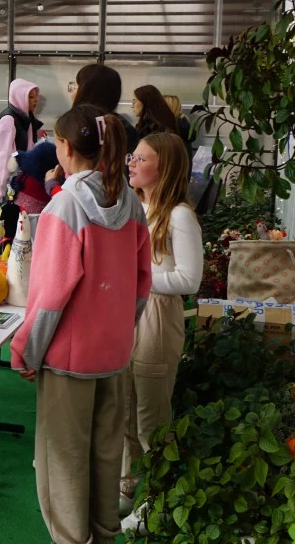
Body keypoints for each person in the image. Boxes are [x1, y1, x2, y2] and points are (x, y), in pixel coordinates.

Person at [9, 105, 151, 544]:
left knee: (64, 463)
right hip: (114, 355)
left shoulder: (64, 208)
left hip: (69, 361)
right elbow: (142, 286)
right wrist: (118, 333)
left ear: (65, 148)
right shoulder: (132, 205)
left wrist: (25, 351)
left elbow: (51, 295)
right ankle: (105, 536)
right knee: (107, 457)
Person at [120, 132, 202, 514]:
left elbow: (189, 280)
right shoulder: (136, 207)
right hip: (128, 315)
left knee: (151, 417)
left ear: (163, 167)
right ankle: (125, 489)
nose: (131, 164)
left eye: (140, 159)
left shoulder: (179, 215)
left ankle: (158, 499)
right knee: (124, 407)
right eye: (131, 157)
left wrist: (137, 278)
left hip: (157, 316)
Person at [0, 79, 41, 210]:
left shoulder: (27, 120)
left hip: (11, 178)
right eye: (30, 97)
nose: (35, 100)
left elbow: (29, 151)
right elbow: (1, 157)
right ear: (19, 97)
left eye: (36, 96)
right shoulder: (8, 121)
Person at [74, 64, 138, 145]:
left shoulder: (79, 128)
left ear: (85, 91)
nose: (72, 93)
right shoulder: (124, 128)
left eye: (74, 87)